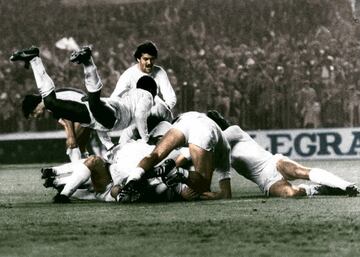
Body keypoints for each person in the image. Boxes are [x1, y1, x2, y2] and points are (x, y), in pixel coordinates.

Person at [10, 46, 157, 147]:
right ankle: (85, 61)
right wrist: (109, 146)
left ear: (33, 108)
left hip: (107, 116)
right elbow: (101, 124)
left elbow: (138, 115)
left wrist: (146, 139)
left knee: (59, 102)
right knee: (91, 103)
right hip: (101, 117)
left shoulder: (146, 97)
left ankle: (35, 59)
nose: (36, 117)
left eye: (33, 114)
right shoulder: (136, 97)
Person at [207, 110, 359, 197]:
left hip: (273, 163)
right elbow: (225, 190)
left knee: (300, 171)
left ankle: (347, 186)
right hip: (265, 181)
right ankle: (317, 189)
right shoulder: (221, 157)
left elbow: (215, 143)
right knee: (291, 194)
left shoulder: (234, 131)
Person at [41, 122, 190, 203]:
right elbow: (105, 160)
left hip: (120, 188)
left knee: (121, 188)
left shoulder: (175, 154)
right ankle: (59, 184)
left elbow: (174, 182)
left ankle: (58, 180)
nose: (162, 140)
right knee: (93, 161)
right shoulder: (134, 143)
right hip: (108, 177)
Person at [121, 111, 232, 199]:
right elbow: (226, 194)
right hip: (204, 129)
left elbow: (177, 161)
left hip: (184, 121)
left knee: (155, 155)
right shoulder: (224, 149)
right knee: (203, 187)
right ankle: (176, 173)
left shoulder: (215, 139)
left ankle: (133, 179)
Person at [110, 41, 176, 112]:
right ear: (138, 59)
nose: (149, 63)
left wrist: (162, 111)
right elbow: (114, 98)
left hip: (154, 112)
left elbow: (171, 98)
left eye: (152, 59)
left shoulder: (160, 72)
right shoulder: (128, 75)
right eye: (145, 59)